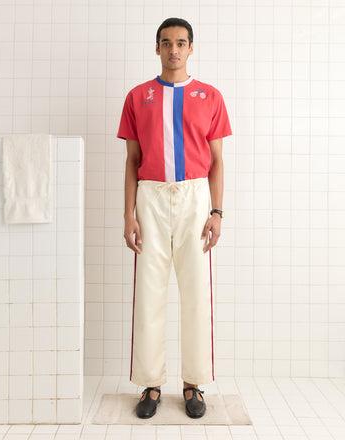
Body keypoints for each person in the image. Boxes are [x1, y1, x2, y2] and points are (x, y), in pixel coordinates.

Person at [117, 17, 232, 419]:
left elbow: (217, 162)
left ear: (191, 48)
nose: (174, 50)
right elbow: (132, 161)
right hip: (150, 195)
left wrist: (216, 212)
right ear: (156, 48)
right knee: (149, 291)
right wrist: (129, 215)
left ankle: (192, 384)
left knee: (196, 290)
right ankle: (150, 383)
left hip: (195, 196)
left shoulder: (210, 96)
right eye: (166, 43)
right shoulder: (137, 96)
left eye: (181, 43)